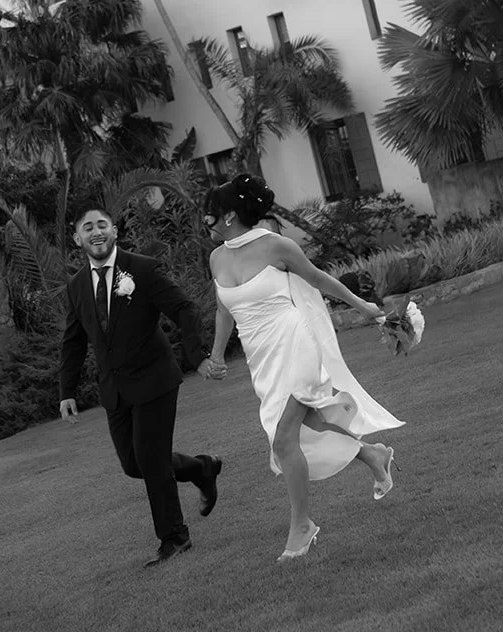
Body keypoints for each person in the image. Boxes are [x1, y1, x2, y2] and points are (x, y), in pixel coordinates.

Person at [204, 174, 403, 563]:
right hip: (261, 357)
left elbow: (318, 279)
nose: (204, 220)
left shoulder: (276, 245)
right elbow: (224, 309)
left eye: (209, 213)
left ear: (229, 215)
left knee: (283, 441)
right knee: (309, 425)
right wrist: (216, 355)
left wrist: (363, 307)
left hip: (295, 344)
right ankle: (373, 455)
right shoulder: (216, 258)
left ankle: (302, 526)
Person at [58, 207, 224, 567]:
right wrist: (66, 390)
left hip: (154, 380)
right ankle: (201, 468)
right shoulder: (76, 286)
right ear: (77, 238)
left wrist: (197, 357)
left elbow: (184, 308)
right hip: (115, 389)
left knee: (151, 460)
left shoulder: (143, 269)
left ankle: (175, 537)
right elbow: (73, 340)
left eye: (102, 225)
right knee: (134, 465)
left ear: (114, 231)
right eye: (88, 228)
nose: (96, 232)